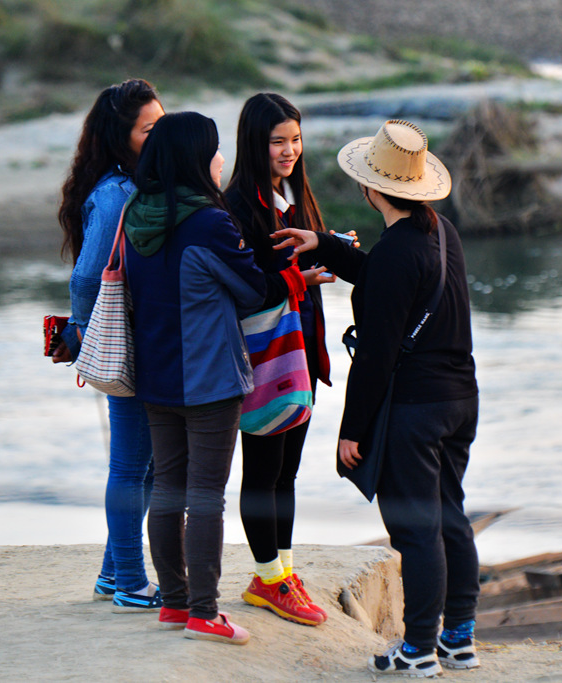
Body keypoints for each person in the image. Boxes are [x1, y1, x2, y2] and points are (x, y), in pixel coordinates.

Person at [275, 120, 480, 676]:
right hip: (461, 398)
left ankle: (417, 650)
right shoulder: (441, 233)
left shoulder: (395, 252)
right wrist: (327, 246)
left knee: (415, 527)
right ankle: (458, 638)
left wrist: (353, 430)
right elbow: (387, 279)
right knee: (449, 516)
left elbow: (376, 355)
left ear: (371, 190)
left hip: (416, 408)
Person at [122, 111, 267, 645]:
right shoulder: (208, 221)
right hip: (207, 380)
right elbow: (254, 290)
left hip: (156, 378)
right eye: (214, 150)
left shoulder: (136, 214)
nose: (221, 159)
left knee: (168, 489)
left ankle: (176, 604)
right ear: (194, 158)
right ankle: (206, 612)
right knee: (206, 495)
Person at [224, 93, 337, 627]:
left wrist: (329, 248)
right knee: (262, 471)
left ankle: (280, 571)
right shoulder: (238, 207)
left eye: (295, 139)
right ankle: (268, 578)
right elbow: (244, 288)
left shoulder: (296, 193)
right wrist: (298, 275)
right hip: (266, 355)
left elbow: (298, 264)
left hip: (302, 350)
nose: (289, 150)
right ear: (254, 143)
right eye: (277, 142)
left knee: (287, 472)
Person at [54, 78, 164, 613]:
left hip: (138, 342)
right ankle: (130, 583)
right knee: (129, 467)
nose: (159, 135)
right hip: (126, 345)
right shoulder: (118, 192)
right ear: (122, 137)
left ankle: (111, 574)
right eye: (149, 129)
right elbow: (86, 277)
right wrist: (82, 332)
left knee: (142, 466)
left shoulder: (133, 184)